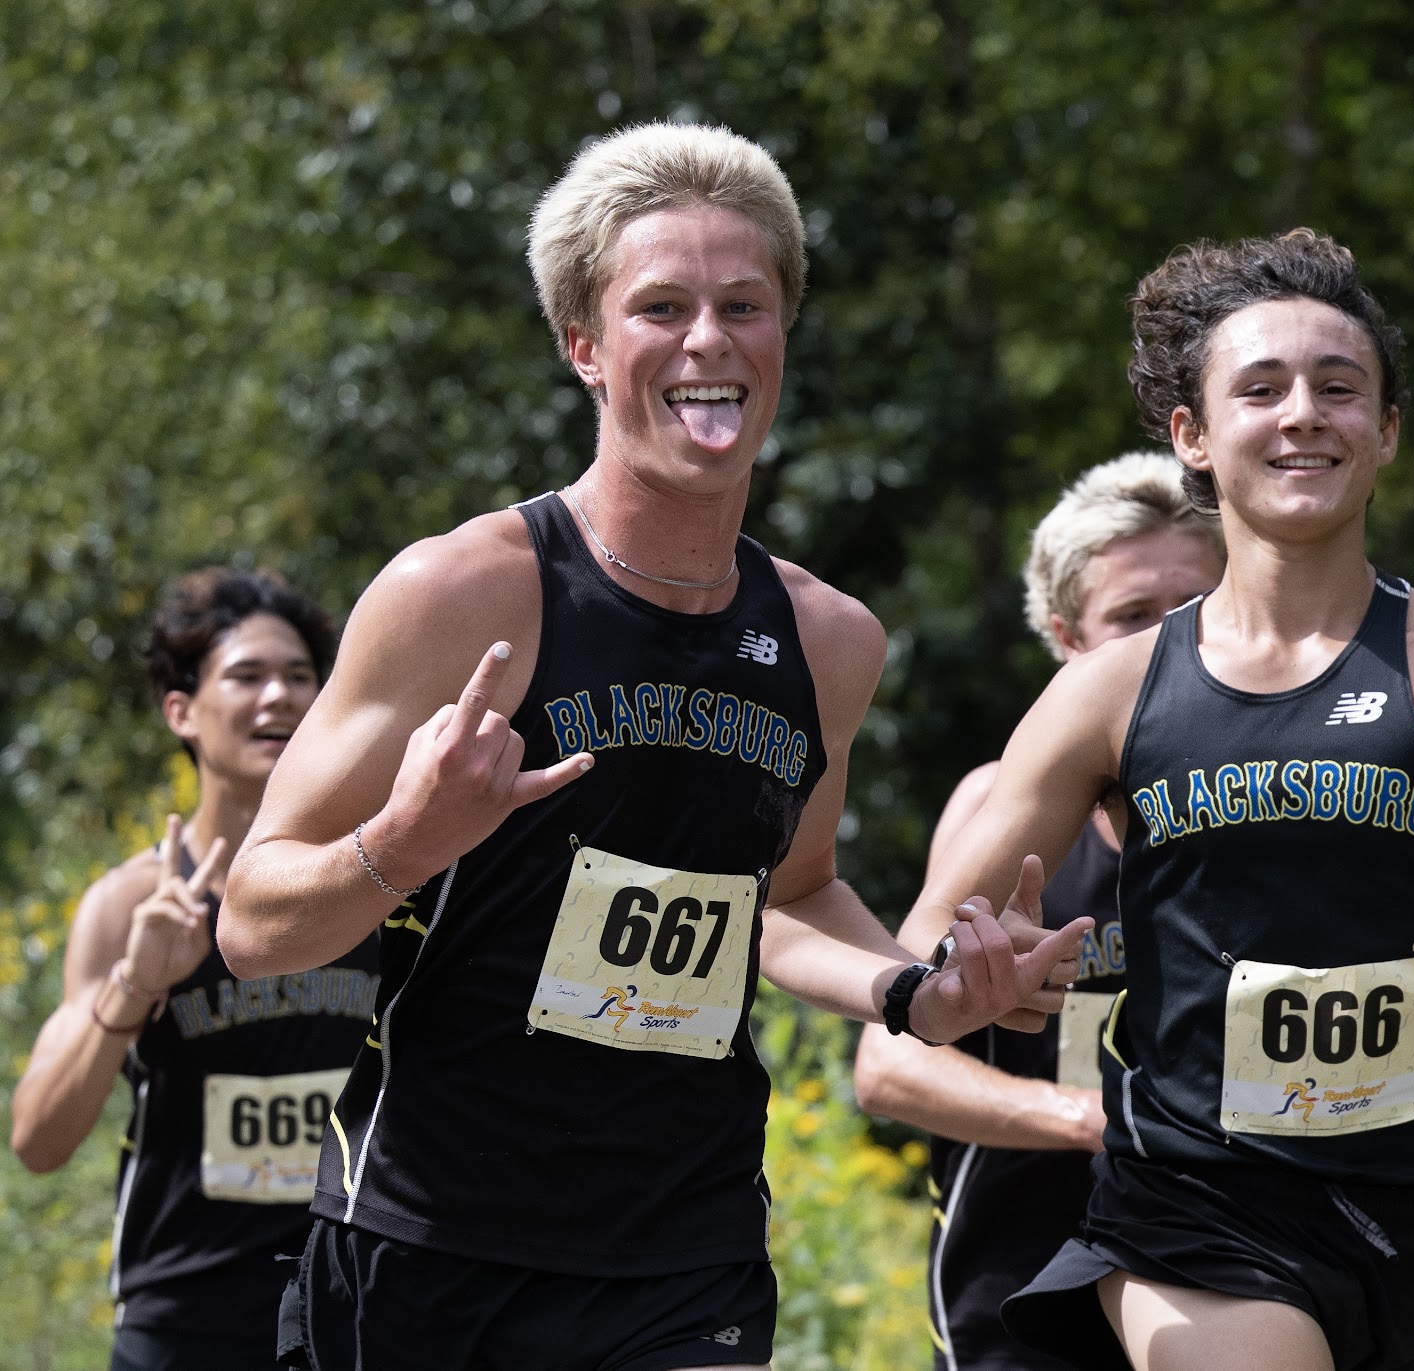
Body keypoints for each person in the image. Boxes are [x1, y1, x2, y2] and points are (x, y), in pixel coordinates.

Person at [216, 122, 1090, 1371]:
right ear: (584, 343)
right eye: (661, 308)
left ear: (783, 332)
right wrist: (403, 841)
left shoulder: (829, 640)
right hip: (427, 1249)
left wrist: (916, 989)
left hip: (685, 1255)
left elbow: (792, 894)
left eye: (744, 306)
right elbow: (254, 927)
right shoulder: (464, 594)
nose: (708, 341)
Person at [903, 226, 1414, 1371]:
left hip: (1413, 1214)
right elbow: (930, 938)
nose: (1302, 414)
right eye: (1260, 389)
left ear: (1386, 430)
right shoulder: (1110, 691)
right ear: (1192, 435)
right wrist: (968, 971)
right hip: (1187, 1204)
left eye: (1339, 388)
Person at [853, 452, 1224, 1371]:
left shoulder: (1287, 813)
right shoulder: (997, 808)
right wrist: (1094, 1117)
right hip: (1016, 1290)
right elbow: (888, 1069)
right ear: (1066, 637)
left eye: (1192, 608)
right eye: (1132, 615)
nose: (1164, 641)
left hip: (1227, 1269)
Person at [10, 568, 381, 1371]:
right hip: (183, 1324)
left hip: (354, 1312)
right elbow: (38, 1139)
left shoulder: (376, 880)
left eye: (300, 676)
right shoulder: (131, 903)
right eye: (247, 675)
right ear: (181, 709)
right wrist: (136, 983)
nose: (279, 696)